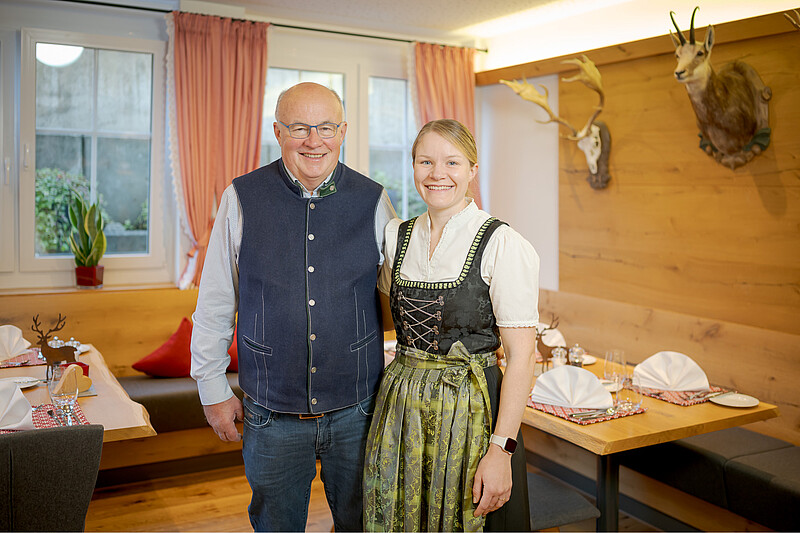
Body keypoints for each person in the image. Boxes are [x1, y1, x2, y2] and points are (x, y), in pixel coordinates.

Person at [190, 82, 396, 531]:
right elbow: (216, 301)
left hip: (359, 410)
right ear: (278, 132)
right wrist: (211, 387)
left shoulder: (375, 200)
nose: (313, 140)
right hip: (270, 415)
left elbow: (403, 287)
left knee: (364, 525)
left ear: (343, 131)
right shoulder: (240, 197)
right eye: (299, 127)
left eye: (326, 127)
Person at [363, 119, 539, 532]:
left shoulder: (502, 244)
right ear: (413, 167)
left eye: (452, 162)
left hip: (471, 411)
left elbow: (522, 357)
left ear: (473, 170)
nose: (437, 173)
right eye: (425, 161)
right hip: (400, 411)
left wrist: (501, 450)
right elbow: (386, 316)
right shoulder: (396, 236)